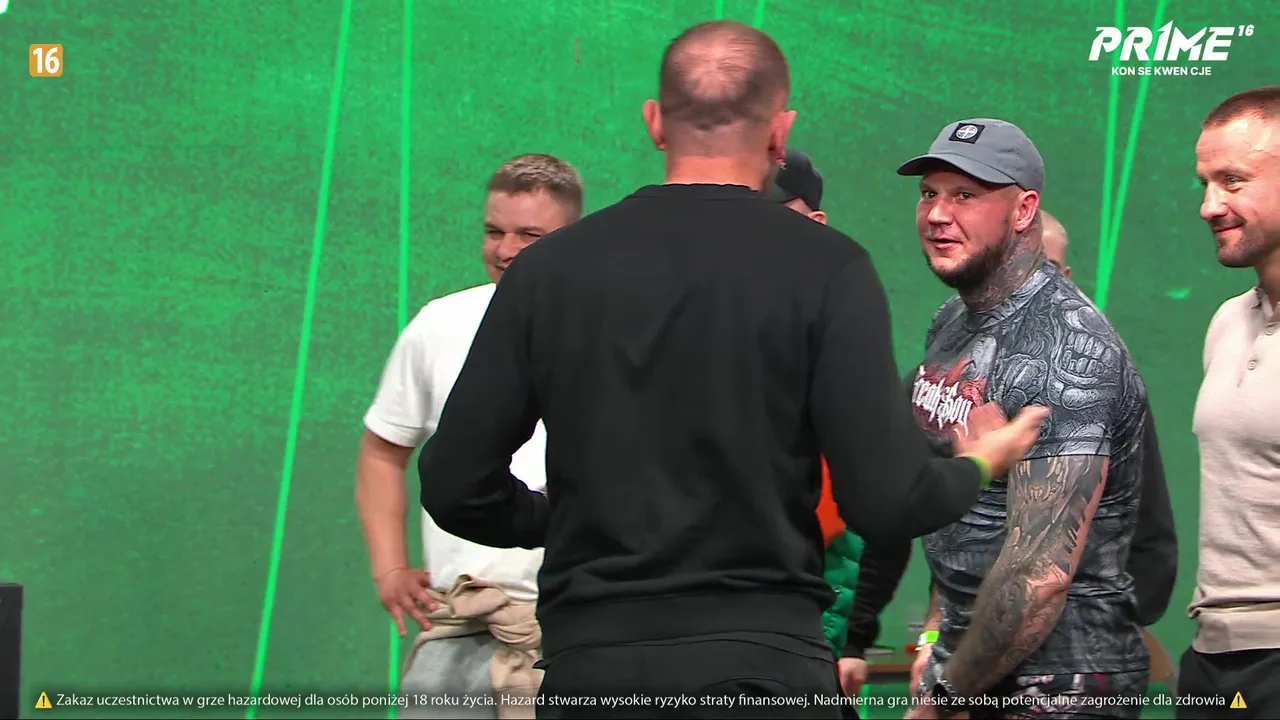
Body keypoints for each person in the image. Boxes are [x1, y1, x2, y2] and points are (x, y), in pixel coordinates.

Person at [416, 20, 1048, 719]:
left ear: (655, 122)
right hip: (763, 670)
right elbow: (887, 500)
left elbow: (455, 483)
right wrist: (981, 462)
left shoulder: (547, 272)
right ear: (781, 131)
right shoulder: (827, 268)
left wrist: (556, 517)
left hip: (593, 668)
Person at [887, 118, 1152, 719]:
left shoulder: (1068, 347)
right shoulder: (950, 322)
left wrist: (947, 697)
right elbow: (964, 518)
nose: (937, 214)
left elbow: (1039, 575)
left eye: (965, 195)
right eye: (929, 193)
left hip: (1061, 684)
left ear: (1024, 210)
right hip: (970, 661)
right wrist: (937, 641)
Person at [356, 153, 585, 719]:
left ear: (573, 238)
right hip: (458, 631)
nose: (505, 250)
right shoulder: (439, 324)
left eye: (529, 235)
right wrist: (390, 569)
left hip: (579, 631)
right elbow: (382, 451)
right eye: (493, 231)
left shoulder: (612, 327)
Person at [1179, 85, 1280, 719]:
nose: (1209, 206)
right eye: (1205, 183)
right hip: (1212, 656)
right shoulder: (1226, 320)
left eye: (1233, 181)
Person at [766, 149, 871, 709]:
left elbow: (850, 516)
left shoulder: (836, 331)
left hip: (806, 623)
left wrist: (846, 642)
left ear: (817, 223)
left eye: (776, 211)